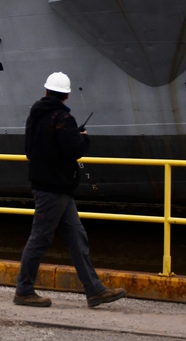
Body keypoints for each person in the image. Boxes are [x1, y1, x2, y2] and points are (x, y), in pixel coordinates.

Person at [14, 72, 126, 309]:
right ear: (66, 95)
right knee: (39, 239)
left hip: (52, 188)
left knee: (77, 238)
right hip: (54, 189)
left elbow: (29, 150)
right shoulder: (63, 118)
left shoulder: (34, 117)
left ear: (46, 91)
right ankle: (24, 291)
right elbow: (74, 149)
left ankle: (95, 290)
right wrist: (83, 138)